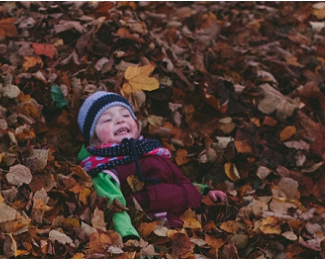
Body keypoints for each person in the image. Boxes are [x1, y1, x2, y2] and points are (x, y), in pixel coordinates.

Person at [77, 91, 227, 241]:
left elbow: (178, 181)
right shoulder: (105, 169)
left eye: (126, 115)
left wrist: (204, 193)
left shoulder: (153, 152)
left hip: (189, 225)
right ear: (94, 139)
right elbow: (114, 206)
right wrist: (128, 236)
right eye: (107, 119)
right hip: (152, 235)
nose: (120, 121)